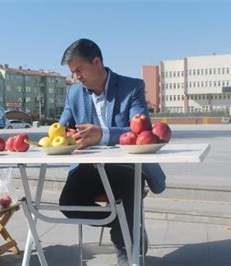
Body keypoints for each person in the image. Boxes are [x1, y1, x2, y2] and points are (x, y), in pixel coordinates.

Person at [57, 39, 166, 265]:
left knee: (126, 194)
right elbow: (60, 129)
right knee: (68, 202)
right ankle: (123, 224)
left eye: (79, 70)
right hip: (89, 169)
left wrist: (104, 134)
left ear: (96, 62)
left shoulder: (132, 87)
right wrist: (64, 138)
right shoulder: (74, 93)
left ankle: (127, 252)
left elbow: (141, 130)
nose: (76, 77)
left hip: (125, 167)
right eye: (73, 72)